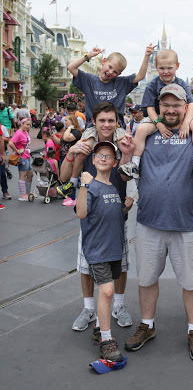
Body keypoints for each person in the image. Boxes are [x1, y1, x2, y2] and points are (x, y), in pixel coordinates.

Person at [121, 83, 193, 362]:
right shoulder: (149, 131)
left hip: (187, 223)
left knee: (191, 283)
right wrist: (127, 155)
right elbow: (126, 176)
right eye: (166, 104)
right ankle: (147, 325)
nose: (171, 109)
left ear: (184, 106)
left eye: (176, 104)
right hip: (149, 221)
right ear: (159, 107)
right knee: (147, 278)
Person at [60, 102, 134, 332]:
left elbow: (128, 178)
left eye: (111, 120)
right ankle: (89, 308)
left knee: (119, 264)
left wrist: (128, 154)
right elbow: (64, 178)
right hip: (90, 218)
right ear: (94, 122)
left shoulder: (123, 146)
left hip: (116, 213)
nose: (106, 124)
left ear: (117, 122)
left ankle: (118, 306)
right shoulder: (86, 146)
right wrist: (72, 153)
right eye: (102, 120)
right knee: (86, 266)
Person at [58, 44, 155, 199]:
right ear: (103, 61)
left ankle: (133, 168)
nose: (110, 72)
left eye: (115, 72)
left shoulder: (121, 83)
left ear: (119, 74)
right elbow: (71, 67)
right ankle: (72, 181)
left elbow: (141, 76)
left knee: (128, 147)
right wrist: (88, 56)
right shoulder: (90, 80)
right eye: (109, 67)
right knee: (84, 150)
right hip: (93, 127)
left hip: (116, 128)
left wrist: (147, 56)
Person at [119, 49, 193, 179]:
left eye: (170, 67)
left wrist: (185, 123)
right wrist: (159, 124)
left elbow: (191, 104)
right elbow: (150, 108)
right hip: (157, 117)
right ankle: (134, 164)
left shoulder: (182, 83)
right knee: (142, 129)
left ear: (177, 66)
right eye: (162, 68)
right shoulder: (152, 84)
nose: (166, 71)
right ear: (156, 67)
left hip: (180, 118)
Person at [76, 141, 126, 362]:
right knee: (106, 292)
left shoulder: (113, 188)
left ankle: (99, 326)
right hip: (97, 251)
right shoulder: (91, 186)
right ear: (93, 160)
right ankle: (106, 340)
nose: (104, 158)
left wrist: (128, 205)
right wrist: (83, 186)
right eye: (100, 155)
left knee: (109, 292)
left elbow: (111, 216)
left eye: (109, 156)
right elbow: (81, 213)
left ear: (115, 163)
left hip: (114, 250)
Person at [53, 115, 82, 205]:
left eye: (66, 120)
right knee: (64, 177)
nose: (65, 122)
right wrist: (52, 135)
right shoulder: (66, 131)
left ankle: (72, 198)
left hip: (70, 158)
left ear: (72, 121)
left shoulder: (76, 132)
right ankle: (67, 195)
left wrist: (69, 128)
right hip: (63, 156)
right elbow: (60, 142)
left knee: (70, 178)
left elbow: (66, 138)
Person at [8, 118, 33, 201]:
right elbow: (11, 143)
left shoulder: (25, 132)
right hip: (22, 157)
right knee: (23, 175)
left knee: (30, 174)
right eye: (27, 124)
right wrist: (17, 151)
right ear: (22, 124)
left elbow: (27, 142)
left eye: (29, 125)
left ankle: (27, 192)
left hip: (27, 156)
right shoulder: (18, 133)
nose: (29, 126)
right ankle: (22, 195)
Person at [0, 121, 11, 200]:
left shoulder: (1, 127)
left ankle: (5, 191)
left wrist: (3, 155)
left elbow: (1, 140)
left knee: (2, 173)